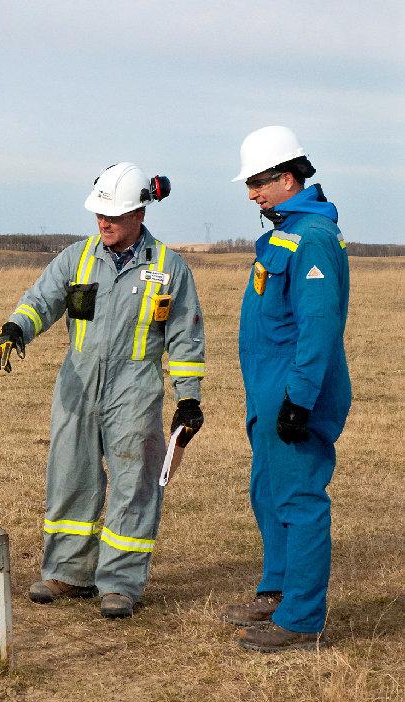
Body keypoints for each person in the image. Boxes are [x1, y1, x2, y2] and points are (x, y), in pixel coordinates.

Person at [0, 163, 206, 618]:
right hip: (77, 386)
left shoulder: (169, 268)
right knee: (70, 476)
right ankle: (68, 573)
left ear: (139, 213)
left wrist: (188, 398)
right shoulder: (77, 258)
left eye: (114, 215)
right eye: (98, 215)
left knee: (134, 484)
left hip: (135, 389)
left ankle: (121, 584)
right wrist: (16, 329)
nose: (103, 223)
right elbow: (41, 300)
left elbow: (186, 337)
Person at [225, 126, 351, 651]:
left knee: (299, 499)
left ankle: (300, 621)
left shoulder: (313, 237)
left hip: (296, 394)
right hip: (269, 392)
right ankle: (277, 589)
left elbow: (318, 329)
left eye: (258, 183)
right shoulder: (283, 231)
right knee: (268, 493)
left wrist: (298, 400)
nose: (251, 194)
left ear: (287, 177)